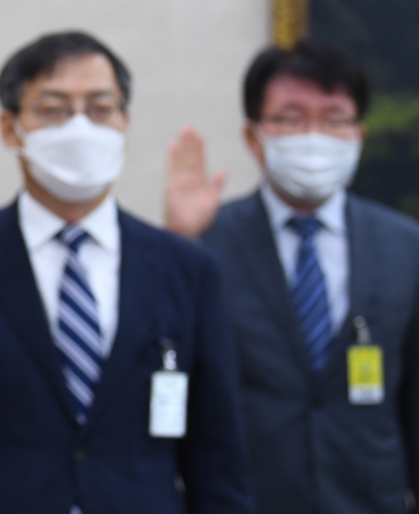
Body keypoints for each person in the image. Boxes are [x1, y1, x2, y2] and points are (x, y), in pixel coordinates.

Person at [0, 31, 253, 514]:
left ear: (124, 123)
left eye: (101, 108)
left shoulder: (184, 267)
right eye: (53, 109)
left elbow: (218, 453)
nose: (80, 127)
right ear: (10, 127)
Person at [165, 39, 419, 513]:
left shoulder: (405, 245)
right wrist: (179, 245)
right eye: (291, 118)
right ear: (254, 136)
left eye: (334, 119)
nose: (313, 136)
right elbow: (161, 371)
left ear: (358, 135)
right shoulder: (207, 242)